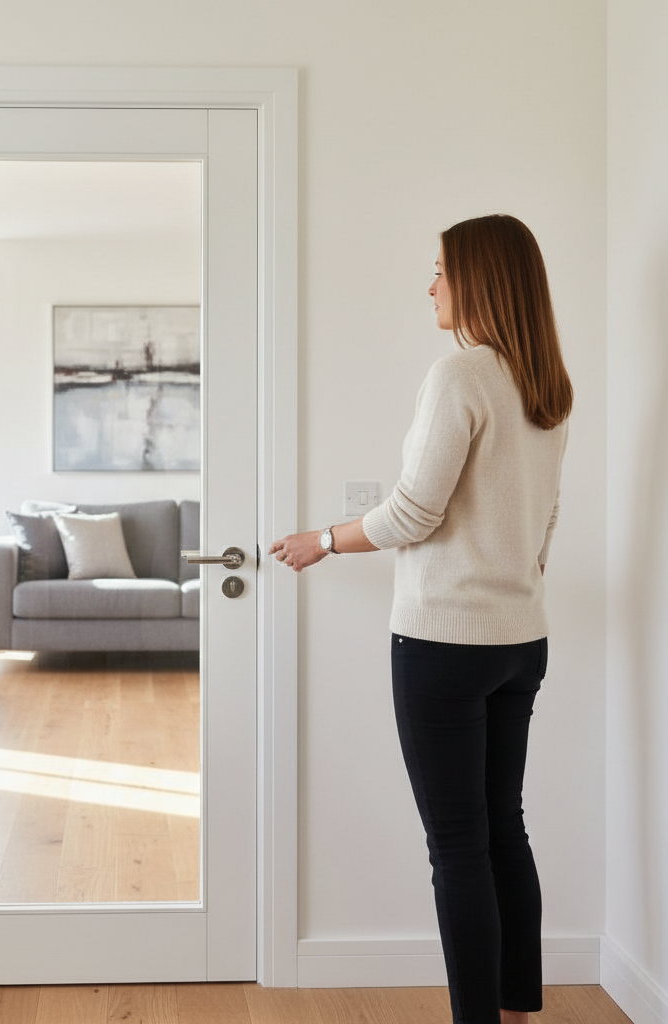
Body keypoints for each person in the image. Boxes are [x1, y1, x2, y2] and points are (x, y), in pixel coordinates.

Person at [270, 214, 571, 1024]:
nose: (429, 285)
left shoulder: (460, 377)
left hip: (443, 643)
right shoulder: (545, 384)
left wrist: (322, 541)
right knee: (504, 828)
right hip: (521, 641)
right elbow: (544, 521)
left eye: (441, 270)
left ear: (478, 280)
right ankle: (513, 1009)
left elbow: (412, 514)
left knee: (458, 846)